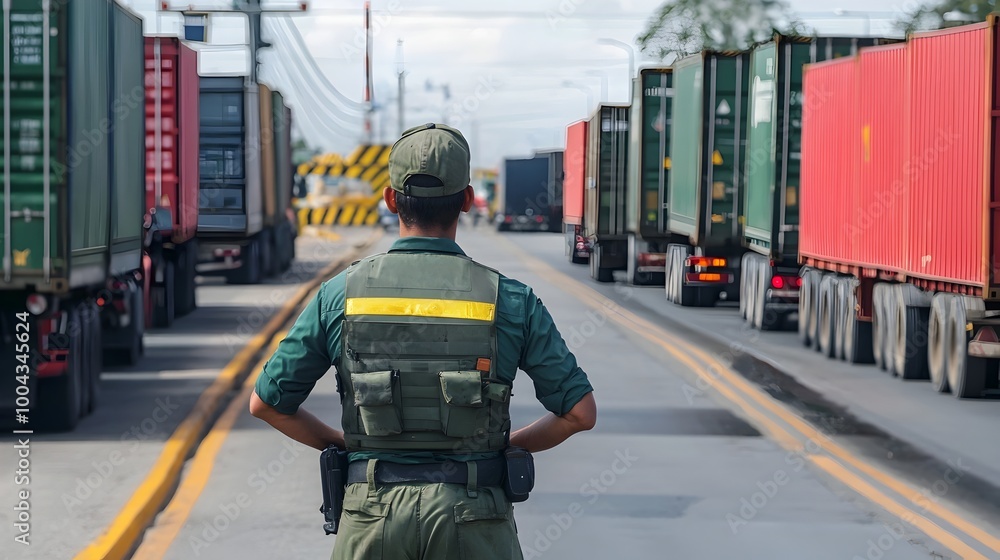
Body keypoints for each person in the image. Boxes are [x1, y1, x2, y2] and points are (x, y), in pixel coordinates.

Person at [250, 123, 597, 559]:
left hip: (371, 517)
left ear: (390, 198)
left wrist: (345, 446)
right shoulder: (510, 300)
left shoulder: (340, 295)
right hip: (475, 518)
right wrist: (506, 448)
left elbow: (266, 404)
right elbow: (580, 413)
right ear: (467, 200)